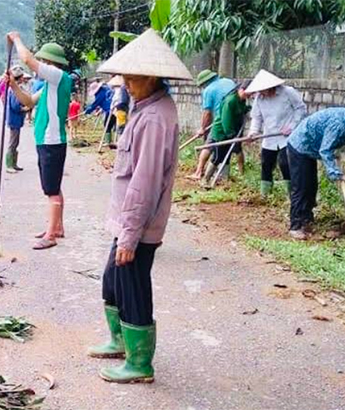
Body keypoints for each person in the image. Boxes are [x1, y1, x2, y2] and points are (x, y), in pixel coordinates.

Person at [87, 29, 193, 384]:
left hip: (138, 224)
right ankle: (119, 340)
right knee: (112, 280)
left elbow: (145, 182)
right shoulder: (144, 107)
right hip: (127, 220)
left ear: (150, 76)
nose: (127, 85)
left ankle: (140, 363)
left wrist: (129, 236)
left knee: (132, 286)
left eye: (132, 79)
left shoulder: (154, 118)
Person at [6, 31, 72, 250]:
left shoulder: (58, 76)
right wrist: (14, 86)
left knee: (51, 190)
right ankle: (57, 227)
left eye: (43, 61)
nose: (39, 65)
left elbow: (26, 59)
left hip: (51, 142)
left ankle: (51, 235)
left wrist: (16, 39)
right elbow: (28, 102)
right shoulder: (48, 86)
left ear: (51, 63)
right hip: (47, 141)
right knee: (53, 186)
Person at [245, 69, 307, 197]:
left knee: (285, 163)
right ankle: (265, 195)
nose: (260, 92)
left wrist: (292, 126)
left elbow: (300, 109)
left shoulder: (287, 92)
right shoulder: (259, 99)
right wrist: (253, 132)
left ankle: (291, 194)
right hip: (269, 136)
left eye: (262, 89)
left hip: (287, 136)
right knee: (265, 164)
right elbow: (257, 117)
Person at [286, 108, 345, 240]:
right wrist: (336, 173)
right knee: (301, 187)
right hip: (299, 146)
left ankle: (306, 219)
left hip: (311, 148)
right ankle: (295, 226)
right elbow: (325, 150)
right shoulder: (339, 124)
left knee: (311, 186)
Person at [189, 70, 237, 180]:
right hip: (235, 120)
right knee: (227, 146)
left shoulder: (209, 90)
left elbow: (207, 113)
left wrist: (202, 128)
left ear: (205, 82)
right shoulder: (228, 82)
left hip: (220, 121)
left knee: (208, 145)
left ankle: (199, 171)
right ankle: (223, 175)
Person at [202, 81, 251, 186]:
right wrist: (231, 135)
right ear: (240, 89)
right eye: (246, 92)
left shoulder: (241, 100)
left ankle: (224, 180)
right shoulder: (230, 101)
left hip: (232, 133)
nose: (248, 96)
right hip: (221, 133)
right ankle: (205, 180)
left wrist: (246, 109)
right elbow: (226, 120)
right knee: (218, 157)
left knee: (226, 157)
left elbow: (240, 111)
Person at [6, 65, 28, 173]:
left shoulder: (14, 88)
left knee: (15, 142)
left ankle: (14, 163)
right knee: (13, 143)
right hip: (14, 119)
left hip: (16, 120)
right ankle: (9, 165)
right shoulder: (15, 90)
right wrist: (25, 109)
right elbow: (15, 106)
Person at [84, 79, 114, 144]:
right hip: (112, 109)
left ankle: (108, 141)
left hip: (110, 110)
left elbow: (94, 105)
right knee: (109, 125)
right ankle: (108, 140)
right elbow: (104, 102)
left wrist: (87, 111)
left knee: (107, 125)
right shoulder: (106, 89)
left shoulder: (100, 94)